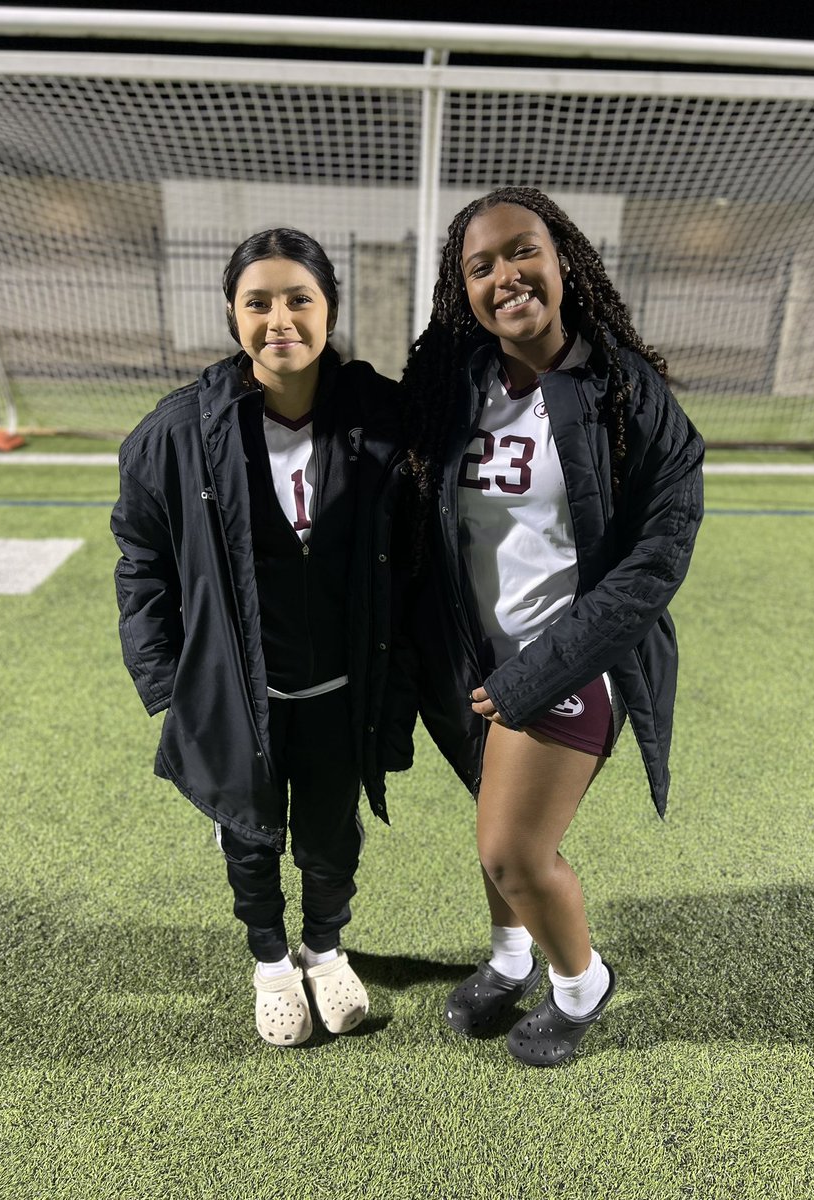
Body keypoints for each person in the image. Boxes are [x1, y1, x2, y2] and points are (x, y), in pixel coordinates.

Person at [401, 187, 704, 1067]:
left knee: (513, 852)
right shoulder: (456, 387)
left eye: (522, 251)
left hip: (575, 663)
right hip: (481, 658)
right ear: (464, 290)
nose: (506, 276)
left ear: (563, 258)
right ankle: (508, 959)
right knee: (491, 821)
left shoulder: (628, 394)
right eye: (481, 265)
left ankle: (581, 986)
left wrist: (543, 671)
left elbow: (656, 559)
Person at [112, 228, 415, 1047]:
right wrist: (172, 688)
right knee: (248, 834)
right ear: (232, 315)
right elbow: (142, 562)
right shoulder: (177, 432)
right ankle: (272, 963)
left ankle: (324, 948)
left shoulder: (381, 418)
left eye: (299, 300)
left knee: (330, 834)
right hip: (238, 691)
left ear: (329, 310)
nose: (280, 319)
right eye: (258, 302)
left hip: (340, 689)